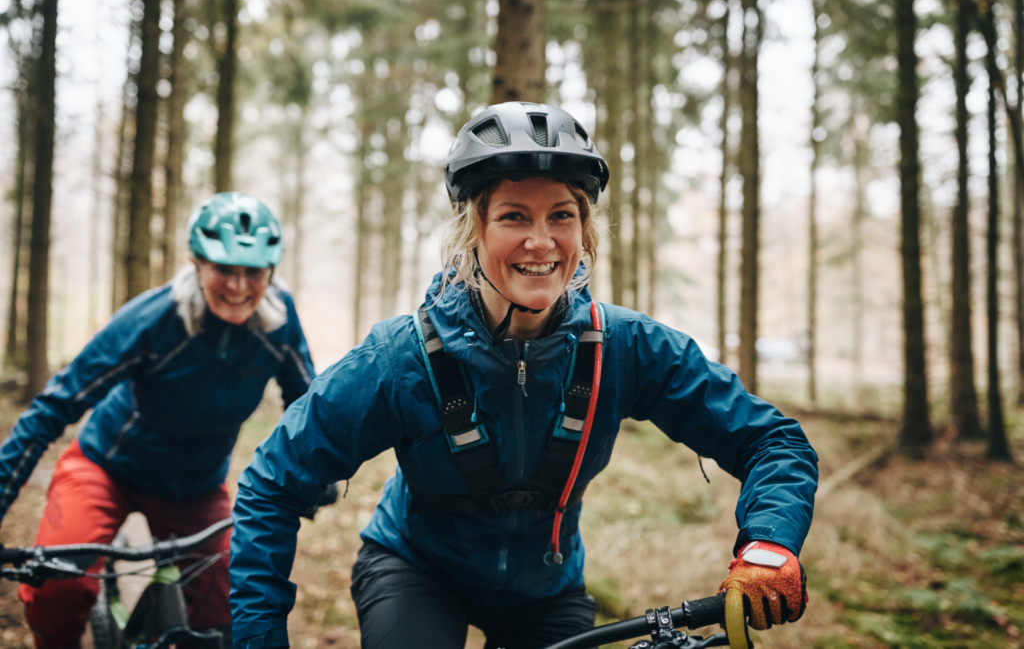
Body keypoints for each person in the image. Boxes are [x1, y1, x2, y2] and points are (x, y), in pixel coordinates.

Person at [228, 102, 818, 649]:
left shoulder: (627, 346)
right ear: (473, 231)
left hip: (546, 589)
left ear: (584, 230)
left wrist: (767, 541)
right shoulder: (399, 356)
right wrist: (257, 637)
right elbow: (273, 482)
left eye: (561, 215)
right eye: (514, 216)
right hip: (415, 569)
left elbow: (772, 440)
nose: (541, 241)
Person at [0, 192, 316, 649]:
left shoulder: (278, 324)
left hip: (197, 489)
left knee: (231, 611)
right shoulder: (152, 320)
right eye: (224, 269)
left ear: (271, 272)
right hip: (105, 468)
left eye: (254, 273)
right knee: (61, 588)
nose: (238, 286)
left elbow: (307, 401)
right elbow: (55, 405)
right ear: (196, 262)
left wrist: (315, 471)